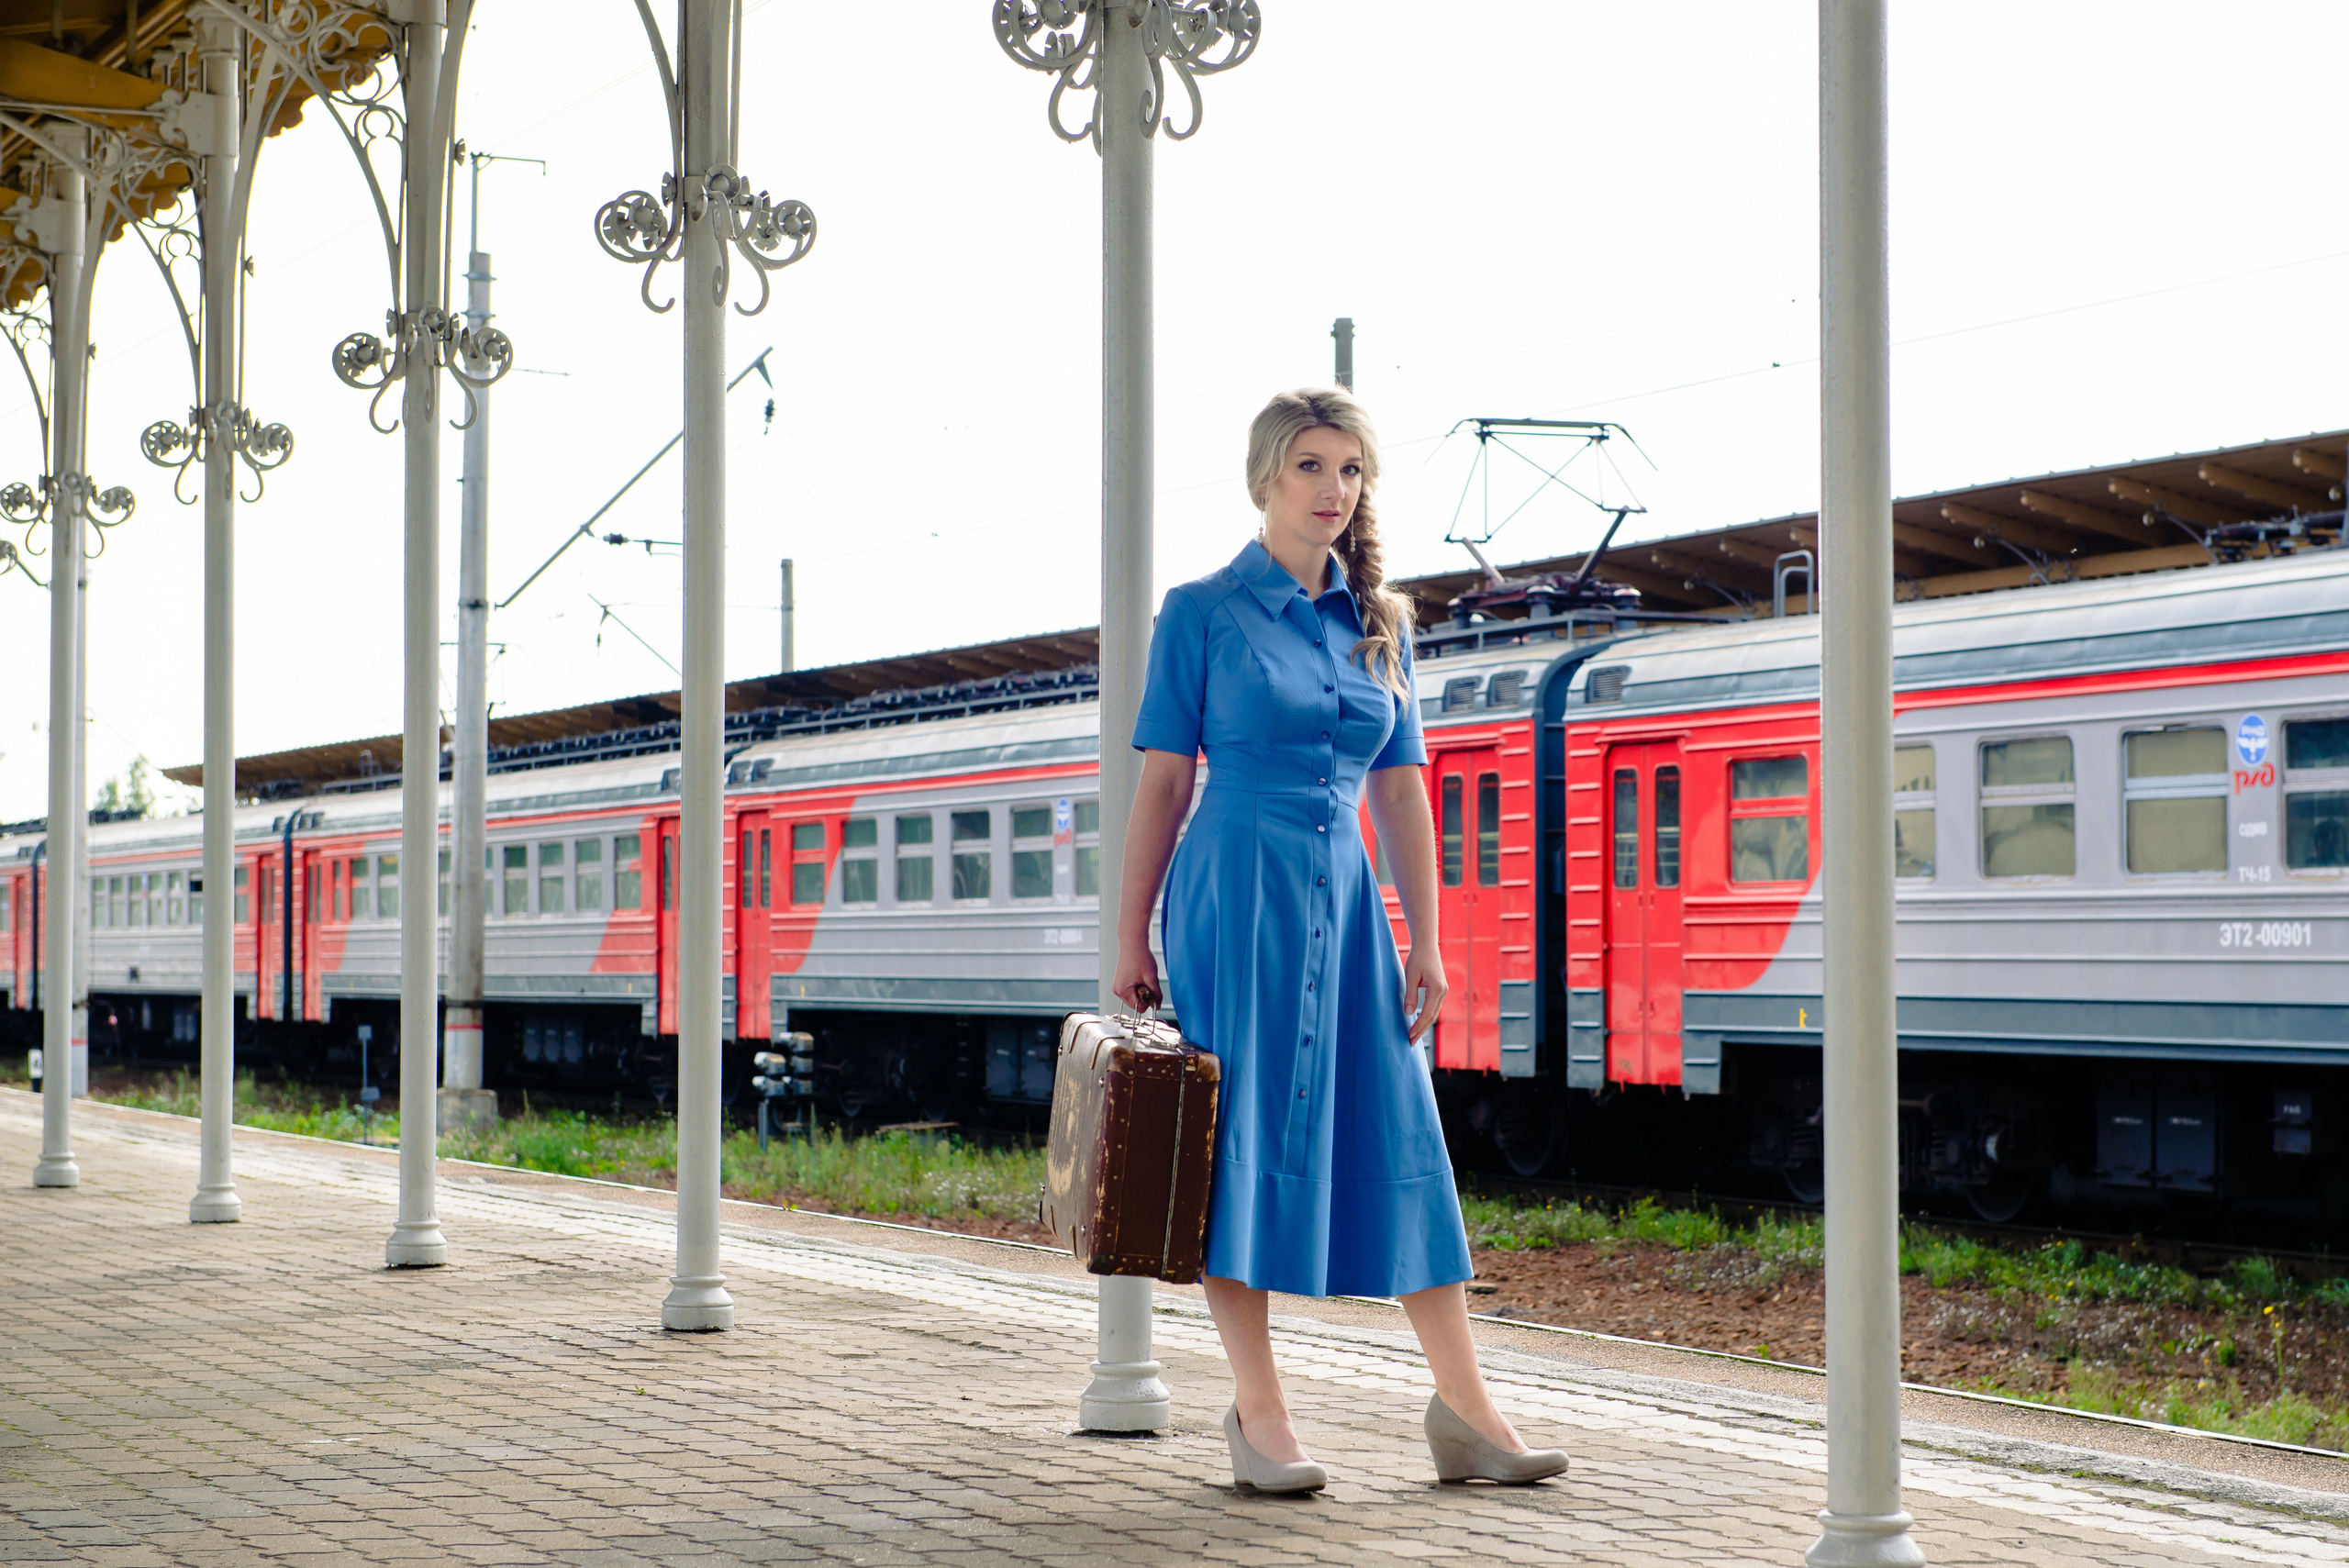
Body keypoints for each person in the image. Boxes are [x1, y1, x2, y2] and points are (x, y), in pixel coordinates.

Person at [1113, 386, 1567, 1493]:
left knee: (1404, 1132)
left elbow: (1405, 790)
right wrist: (1127, 928)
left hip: (1351, 903)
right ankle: (1259, 1413)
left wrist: (1429, 938)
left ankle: (1465, 1408)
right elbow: (1166, 779)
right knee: (1238, 1133)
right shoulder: (1201, 611)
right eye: (1313, 466)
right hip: (1237, 895)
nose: (1334, 490)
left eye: (1351, 470)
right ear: (1266, 475)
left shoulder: (1380, 622)